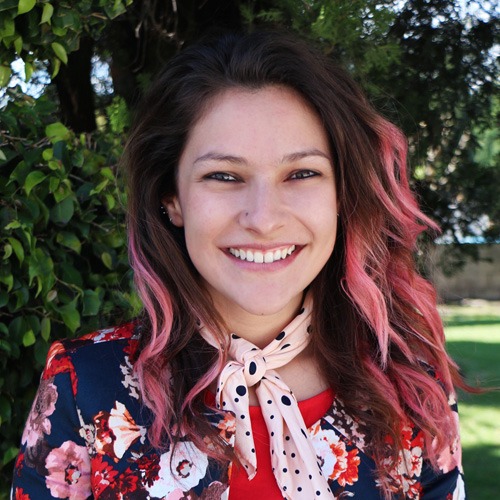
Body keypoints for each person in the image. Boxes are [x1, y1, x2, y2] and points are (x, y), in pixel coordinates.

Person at [12, 31, 468, 499]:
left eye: (302, 173)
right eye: (224, 176)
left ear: (342, 194)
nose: (263, 219)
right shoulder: (81, 383)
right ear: (172, 198)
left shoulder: (410, 385)